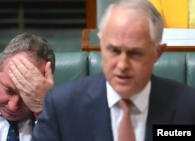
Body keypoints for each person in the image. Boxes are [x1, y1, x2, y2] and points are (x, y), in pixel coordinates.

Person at [31, 0, 195, 141]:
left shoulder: (188, 107)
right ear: (101, 45)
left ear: (157, 53)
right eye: (114, 51)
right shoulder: (62, 107)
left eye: (135, 53)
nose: (122, 65)